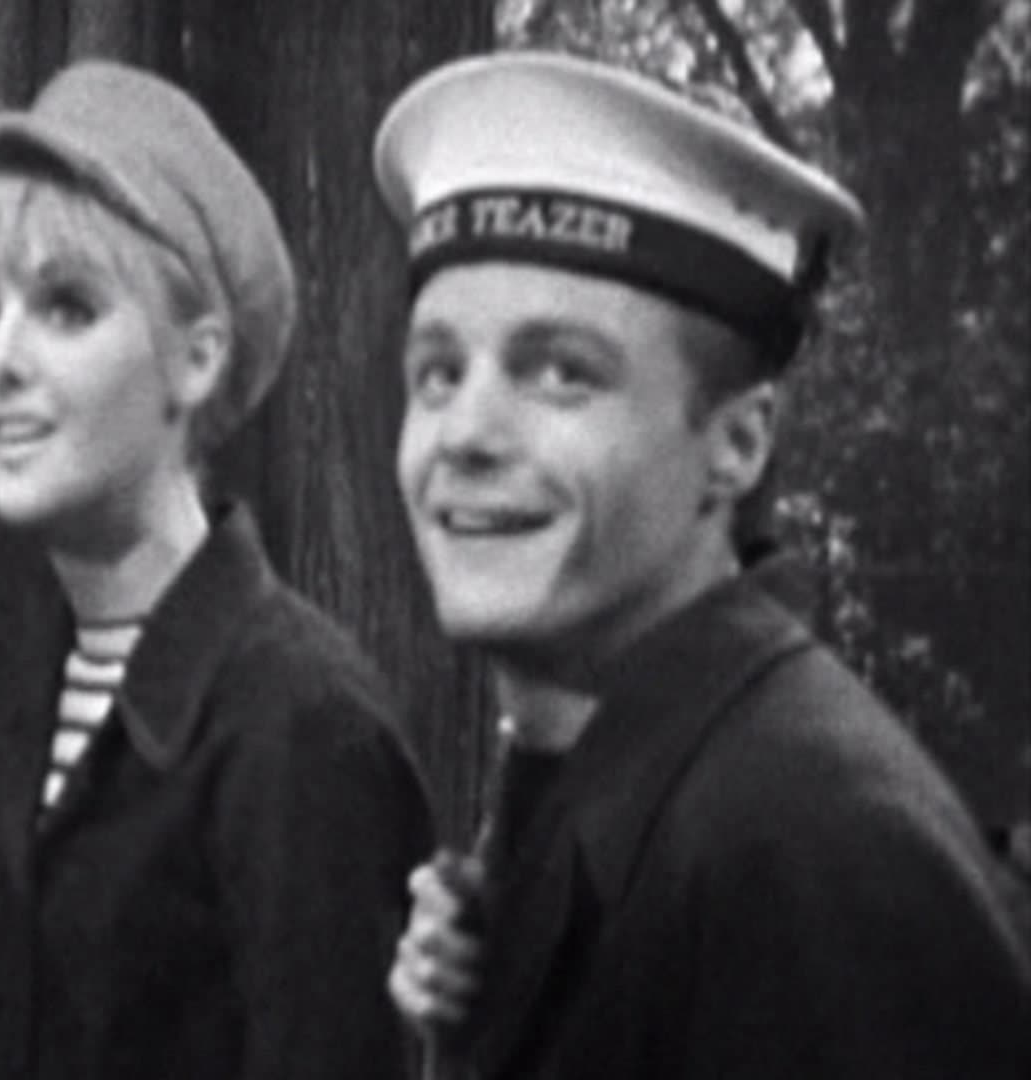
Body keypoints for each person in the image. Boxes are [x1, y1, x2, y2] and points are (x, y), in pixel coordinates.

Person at [375, 52, 1031, 1078]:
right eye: (439, 372)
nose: (466, 433)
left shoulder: (809, 847)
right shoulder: (604, 772)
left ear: (737, 444)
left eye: (562, 373)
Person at [0, 59, 435, 1080]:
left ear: (197, 359)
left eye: (67, 308)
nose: (0, 360)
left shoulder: (301, 725)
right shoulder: (36, 680)